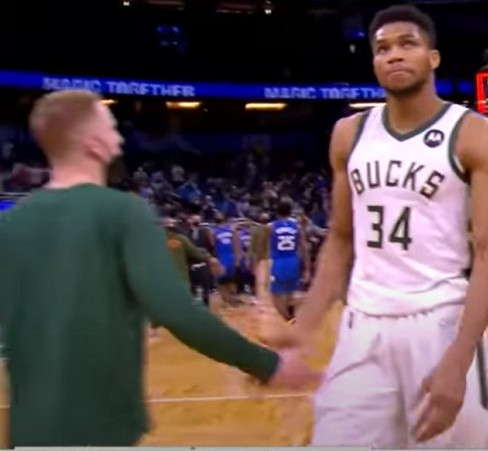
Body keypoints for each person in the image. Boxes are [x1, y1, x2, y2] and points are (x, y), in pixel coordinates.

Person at [0, 90, 316, 447]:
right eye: (110, 128)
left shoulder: (12, 222)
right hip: (97, 423)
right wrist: (266, 364)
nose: (119, 138)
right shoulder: (124, 211)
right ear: (93, 143)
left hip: (27, 427)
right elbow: (178, 312)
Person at [280, 5, 488, 447]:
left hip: (440, 322)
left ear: (433, 57)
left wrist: (460, 358)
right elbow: (340, 240)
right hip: (363, 325)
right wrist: (300, 332)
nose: (394, 55)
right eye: (383, 48)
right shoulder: (348, 134)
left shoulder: (474, 133)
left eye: (408, 44)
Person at [267, 201, 310, 321]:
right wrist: (307, 268)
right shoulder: (297, 227)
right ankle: (291, 316)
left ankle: (286, 320)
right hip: (293, 261)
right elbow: (304, 248)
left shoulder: (271, 227)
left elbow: (266, 248)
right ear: (290, 212)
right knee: (289, 293)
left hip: (278, 262)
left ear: (276, 212)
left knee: (276, 296)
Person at [213, 211, 245, 306]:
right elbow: (213, 246)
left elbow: (237, 244)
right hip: (221, 257)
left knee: (231, 279)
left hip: (230, 257)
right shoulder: (213, 231)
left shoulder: (231, 230)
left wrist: (238, 258)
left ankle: (233, 299)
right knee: (222, 280)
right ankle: (225, 300)